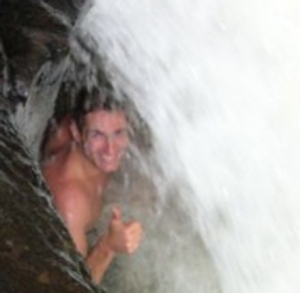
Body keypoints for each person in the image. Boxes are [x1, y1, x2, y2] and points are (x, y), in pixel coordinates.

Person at [42, 87, 142, 284]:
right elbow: (68, 286)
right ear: (76, 133)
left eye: (118, 133)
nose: (110, 148)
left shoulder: (74, 130)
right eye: (97, 135)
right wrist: (108, 246)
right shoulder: (70, 203)